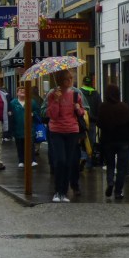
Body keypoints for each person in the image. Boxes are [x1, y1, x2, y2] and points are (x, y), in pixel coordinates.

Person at [44, 70, 85, 203]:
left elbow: (82, 112)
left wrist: (78, 108)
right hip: (56, 131)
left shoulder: (75, 94)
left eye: (71, 79)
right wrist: (56, 100)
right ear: (61, 80)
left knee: (69, 162)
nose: (69, 82)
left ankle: (64, 192)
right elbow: (52, 115)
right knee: (60, 160)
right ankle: (58, 191)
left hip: (72, 130)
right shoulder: (52, 94)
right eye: (67, 79)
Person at [97, 84, 129, 200]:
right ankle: (118, 191)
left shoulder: (103, 107)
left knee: (110, 165)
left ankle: (110, 182)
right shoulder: (124, 107)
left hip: (108, 140)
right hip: (123, 141)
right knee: (121, 167)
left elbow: (99, 123)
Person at [9, 87, 41, 168]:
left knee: (30, 145)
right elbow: (10, 114)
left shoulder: (32, 102)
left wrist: (33, 114)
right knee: (19, 145)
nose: (22, 92)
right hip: (18, 128)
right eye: (20, 90)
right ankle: (21, 160)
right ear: (17, 93)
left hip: (30, 128)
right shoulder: (13, 103)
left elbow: (38, 111)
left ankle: (32, 160)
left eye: (24, 90)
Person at [78, 75, 103, 169]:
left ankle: (82, 157)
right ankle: (89, 162)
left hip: (81, 120)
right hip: (92, 121)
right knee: (91, 141)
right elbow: (99, 108)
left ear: (83, 83)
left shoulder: (79, 92)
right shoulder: (96, 93)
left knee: (81, 140)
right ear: (91, 83)